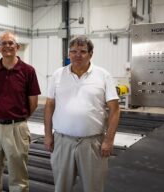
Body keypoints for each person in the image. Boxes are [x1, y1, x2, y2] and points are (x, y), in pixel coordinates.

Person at [44, 35, 120, 192]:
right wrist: (48, 135)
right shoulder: (58, 75)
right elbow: (49, 105)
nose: (77, 55)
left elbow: (114, 109)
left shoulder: (103, 75)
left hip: (93, 143)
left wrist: (109, 140)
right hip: (62, 141)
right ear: (68, 54)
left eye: (82, 51)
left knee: (94, 187)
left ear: (91, 54)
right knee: (61, 187)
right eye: (73, 51)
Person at [0, 31, 41, 192]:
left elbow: (33, 102)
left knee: (18, 176)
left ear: (17, 47)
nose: (7, 46)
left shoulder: (28, 71)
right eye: (3, 43)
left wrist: (18, 119)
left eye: (10, 43)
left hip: (16, 128)